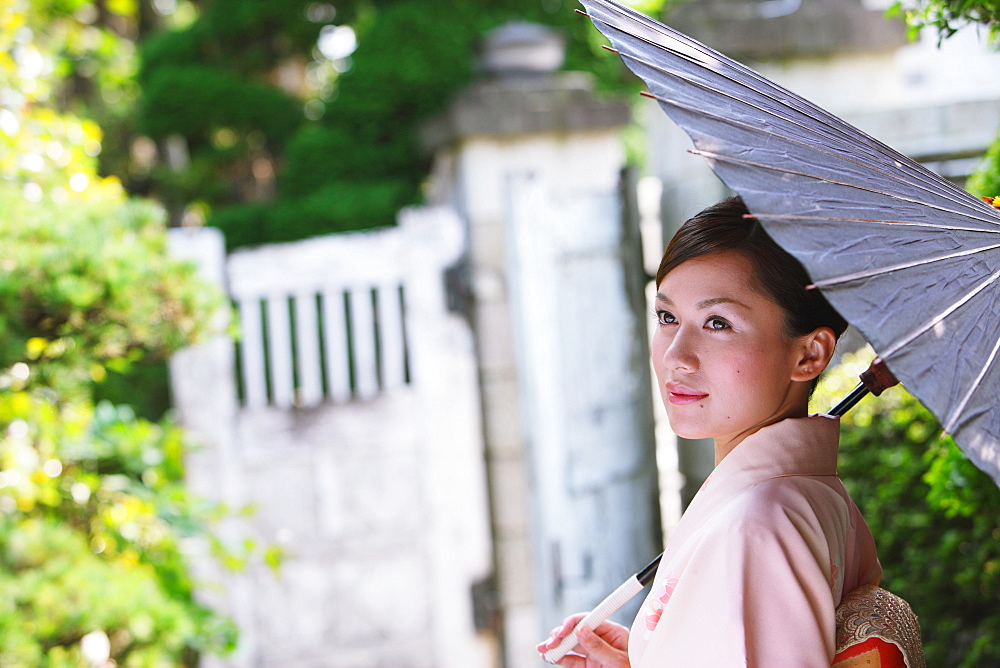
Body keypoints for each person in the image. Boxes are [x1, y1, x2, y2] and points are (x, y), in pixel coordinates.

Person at [537, 196, 882, 667]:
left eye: (717, 323)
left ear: (810, 354)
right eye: (667, 317)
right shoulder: (809, 497)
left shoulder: (757, 523)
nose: (677, 356)